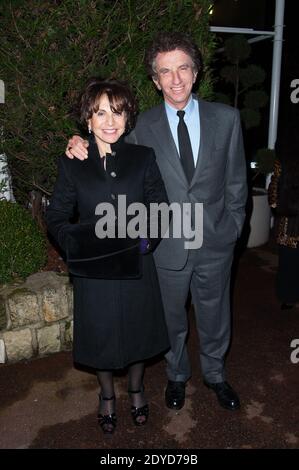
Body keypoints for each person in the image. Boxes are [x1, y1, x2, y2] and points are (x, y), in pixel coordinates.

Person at [65, 32, 248, 412]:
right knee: (171, 321)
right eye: (165, 72)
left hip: (215, 240)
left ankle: (215, 375)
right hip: (167, 246)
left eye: (183, 68)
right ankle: (176, 376)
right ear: (155, 80)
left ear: (195, 73)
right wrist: (75, 141)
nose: (175, 79)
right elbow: (104, 135)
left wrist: (232, 228)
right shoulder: (140, 127)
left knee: (216, 317)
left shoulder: (227, 119)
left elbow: (236, 184)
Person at [46, 78, 170, 435]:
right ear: (88, 119)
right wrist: (75, 243)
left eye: (117, 112)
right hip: (94, 270)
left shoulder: (142, 157)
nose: (110, 120)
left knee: (137, 332)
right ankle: (106, 397)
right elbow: (56, 215)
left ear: (128, 117)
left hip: (136, 265)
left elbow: (160, 204)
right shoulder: (73, 162)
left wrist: (147, 240)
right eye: (100, 112)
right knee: (100, 334)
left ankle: (135, 390)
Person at [268, 124, 299, 310]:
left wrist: (275, 204)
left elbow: (275, 183)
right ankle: (288, 295)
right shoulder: (285, 157)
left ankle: (287, 296)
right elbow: (276, 182)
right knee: (289, 260)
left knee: (288, 260)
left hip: (288, 217)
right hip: (289, 218)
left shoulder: (285, 156)